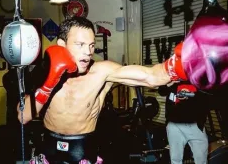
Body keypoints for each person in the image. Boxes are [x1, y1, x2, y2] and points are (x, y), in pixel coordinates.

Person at [16, 16, 185, 164]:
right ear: (61, 45)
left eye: (91, 45)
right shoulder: (44, 71)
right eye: (80, 44)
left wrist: (178, 65)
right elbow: (23, 116)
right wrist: (47, 85)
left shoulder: (101, 72)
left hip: (83, 154)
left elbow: (151, 77)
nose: (88, 52)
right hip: (47, 153)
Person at [158, 55, 211, 164]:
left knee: (201, 160)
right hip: (174, 125)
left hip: (195, 125)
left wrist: (192, 95)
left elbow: (210, 98)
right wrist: (169, 83)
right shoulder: (174, 76)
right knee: (175, 160)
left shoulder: (201, 77)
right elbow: (161, 91)